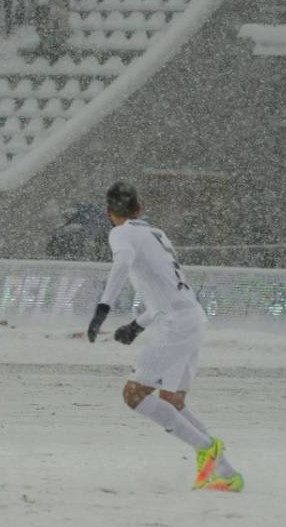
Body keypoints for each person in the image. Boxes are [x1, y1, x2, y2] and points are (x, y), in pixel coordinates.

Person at [85, 181, 242, 492]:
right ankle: (224, 471)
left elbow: (122, 264)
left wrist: (103, 308)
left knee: (134, 395)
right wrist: (137, 324)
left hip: (176, 325)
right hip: (192, 317)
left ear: (108, 213)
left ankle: (206, 449)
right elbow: (167, 288)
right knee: (171, 400)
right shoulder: (157, 235)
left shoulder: (121, 233)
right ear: (140, 208)